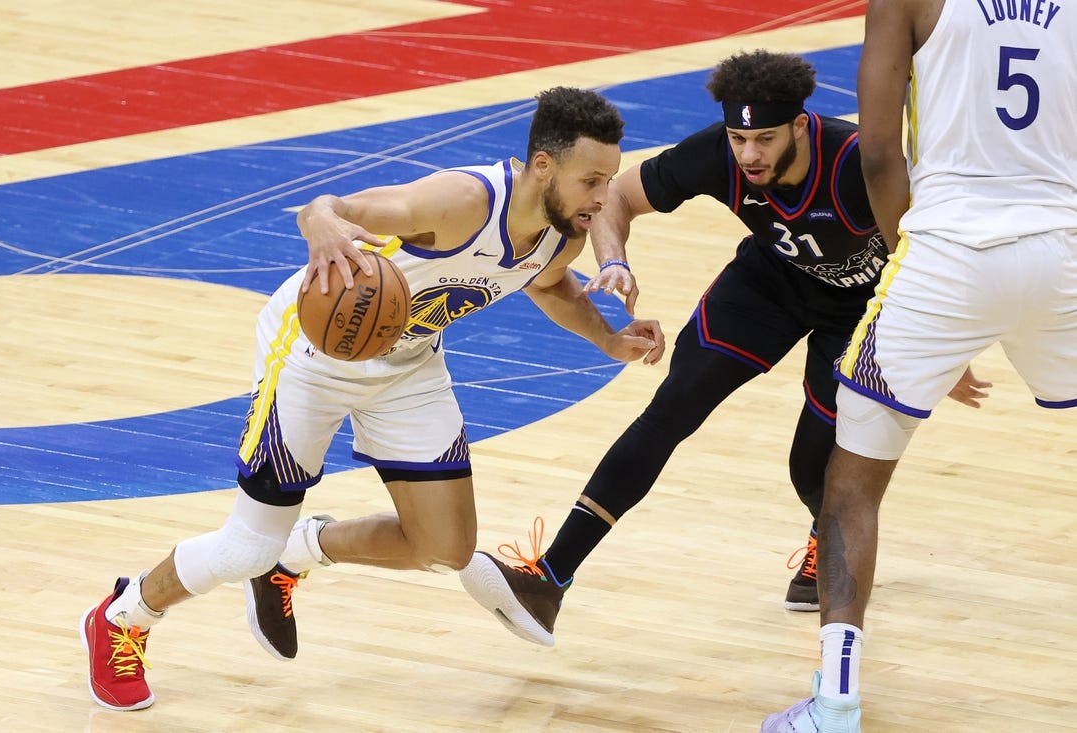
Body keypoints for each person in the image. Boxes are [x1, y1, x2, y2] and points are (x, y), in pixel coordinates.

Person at [80, 86, 666, 711]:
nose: (604, 198)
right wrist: (321, 222)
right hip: (310, 353)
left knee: (446, 548)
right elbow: (328, 208)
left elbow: (549, 287)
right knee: (245, 545)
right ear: (544, 167)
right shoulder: (462, 200)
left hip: (407, 364)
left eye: (608, 180)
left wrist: (607, 339)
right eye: (593, 180)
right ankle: (125, 614)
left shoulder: (561, 235)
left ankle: (298, 553)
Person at [455, 49, 985, 647]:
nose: (749, 154)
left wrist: (944, 348)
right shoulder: (717, 154)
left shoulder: (858, 163)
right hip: (770, 285)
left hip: (862, 311)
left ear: (800, 125)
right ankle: (549, 579)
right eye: (739, 137)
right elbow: (619, 200)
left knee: (811, 465)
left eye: (764, 138)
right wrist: (615, 262)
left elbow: (933, 253)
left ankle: (828, 534)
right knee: (671, 407)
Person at [761, 0, 1077, 731]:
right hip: (1062, 248)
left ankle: (835, 702)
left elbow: (876, 153)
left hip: (949, 251)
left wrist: (920, 273)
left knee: (851, 486)